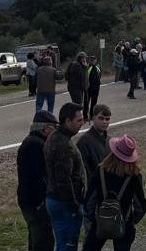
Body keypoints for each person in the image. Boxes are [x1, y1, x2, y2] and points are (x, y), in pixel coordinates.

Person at [83, 135, 146, 251]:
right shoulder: (134, 176)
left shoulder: (101, 171)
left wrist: (93, 218)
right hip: (125, 222)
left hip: (100, 219)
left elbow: (89, 201)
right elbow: (140, 206)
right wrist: (131, 220)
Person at [43, 103, 86, 251]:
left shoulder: (55, 137)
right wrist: (74, 205)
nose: (82, 123)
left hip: (55, 199)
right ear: (68, 121)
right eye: (79, 120)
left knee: (62, 242)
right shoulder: (63, 144)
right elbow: (64, 180)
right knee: (68, 245)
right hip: (64, 203)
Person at [17, 111, 58, 251]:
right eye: (54, 128)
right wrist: (40, 202)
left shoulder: (32, 142)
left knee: (36, 238)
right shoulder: (36, 145)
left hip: (30, 200)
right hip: (35, 202)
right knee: (43, 239)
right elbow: (37, 177)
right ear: (45, 128)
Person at [77, 105, 111, 178]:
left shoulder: (110, 141)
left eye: (107, 119)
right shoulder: (84, 142)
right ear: (93, 119)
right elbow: (83, 170)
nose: (105, 122)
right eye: (101, 118)